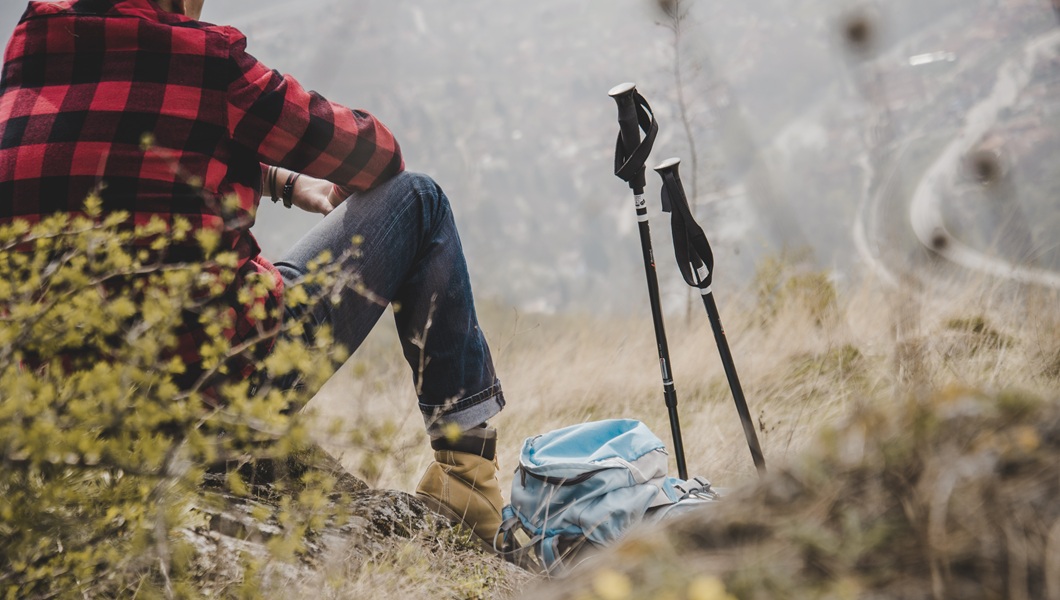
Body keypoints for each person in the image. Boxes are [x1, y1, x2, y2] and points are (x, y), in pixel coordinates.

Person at [0, 0, 506, 548]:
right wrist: (255, 129)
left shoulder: (33, 49)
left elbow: (116, 147)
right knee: (418, 199)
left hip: (67, 415)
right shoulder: (208, 61)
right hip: (211, 395)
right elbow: (376, 156)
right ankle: (467, 483)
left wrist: (281, 183)